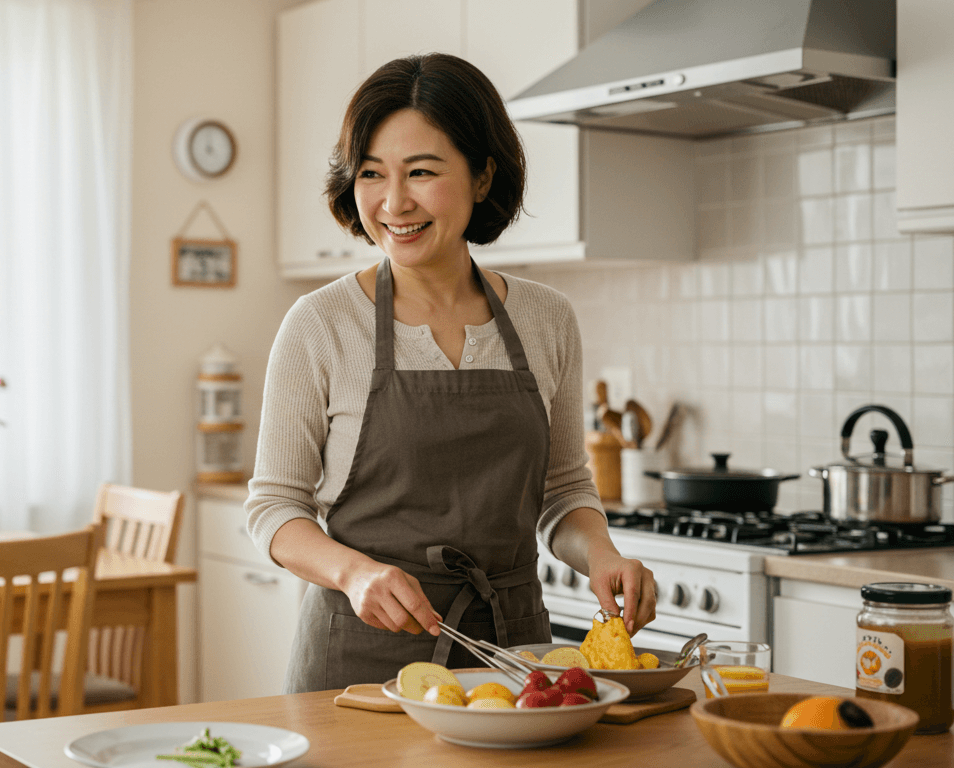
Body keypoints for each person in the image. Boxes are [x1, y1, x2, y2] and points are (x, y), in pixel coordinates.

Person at [246, 54, 658, 693]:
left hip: (517, 655)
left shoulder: (546, 319)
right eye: (372, 174)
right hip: (363, 663)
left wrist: (602, 555)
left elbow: (564, 489)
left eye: (422, 172)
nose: (393, 201)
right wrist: (355, 574)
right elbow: (274, 508)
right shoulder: (320, 324)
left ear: (483, 175)